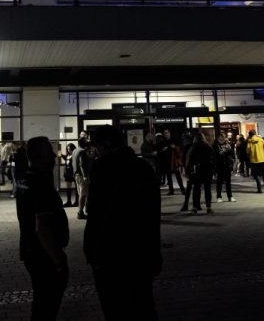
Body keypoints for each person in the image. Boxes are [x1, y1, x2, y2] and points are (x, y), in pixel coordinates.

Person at [85, 125, 161, 320]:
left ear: (106, 145)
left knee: (115, 309)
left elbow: (96, 213)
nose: (96, 151)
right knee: (143, 306)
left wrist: (92, 250)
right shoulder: (143, 167)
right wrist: (154, 254)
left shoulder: (102, 168)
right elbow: (152, 215)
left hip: (110, 253)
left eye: (98, 147)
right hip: (141, 252)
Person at [15, 136, 69, 321]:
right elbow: (42, 227)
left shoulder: (26, 180)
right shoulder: (40, 183)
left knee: (41, 304)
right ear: (38, 156)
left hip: (31, 250)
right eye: (49, 153)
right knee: (47, 305)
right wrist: (58, 259)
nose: (54, 156)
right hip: (43, 254)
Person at [182, 132, 213, 213]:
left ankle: (195, 207)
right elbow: (212, 159)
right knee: (207, 189)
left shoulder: (194, 147)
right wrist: (213, 170)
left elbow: (190, 160)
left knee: (196, 189)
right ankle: (208, 207)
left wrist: (188, 171)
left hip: (197, 170)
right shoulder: (208, 146)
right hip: (207, 170)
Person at [158, 129, 185, 196]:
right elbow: (159, 151)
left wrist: (175, 147)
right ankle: (171, 191)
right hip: (167, 162)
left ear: (169, 133)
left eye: (167, 133)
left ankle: (183, 190)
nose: (166, 134)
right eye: (165, 133)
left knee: (178, 176)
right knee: (169, 177)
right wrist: (162, 150)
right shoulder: (162, 142)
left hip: (174, 162)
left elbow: (180, 149)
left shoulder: (174, 141)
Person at [75, 139, 96, 220]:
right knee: (83, 194)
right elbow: (82, 164)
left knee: (83, 193)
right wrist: (85, 176)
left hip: (77, 175)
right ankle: (80, 212)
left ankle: (84, 210)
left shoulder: (76, 150)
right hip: (82, 176)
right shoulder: (82, 152)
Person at [212, 133, 236, 203]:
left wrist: (228, 150)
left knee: (228, 182)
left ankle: (230, 196)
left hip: (227, 166)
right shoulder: (215, 146)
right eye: (221, 138)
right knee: (219, 182)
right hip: (219, 166)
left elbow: (232, 154)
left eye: (223, 137)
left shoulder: (228, 145)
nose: (222, 139)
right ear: (218, 138)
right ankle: (219, 197)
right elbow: (216, 155)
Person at [246, 129, 264, 193]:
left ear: (250, 134)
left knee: (256, 175)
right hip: (262, 159)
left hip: (254, 160)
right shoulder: (261, 139)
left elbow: (247, 151)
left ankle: (259, 189)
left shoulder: (249, 141)